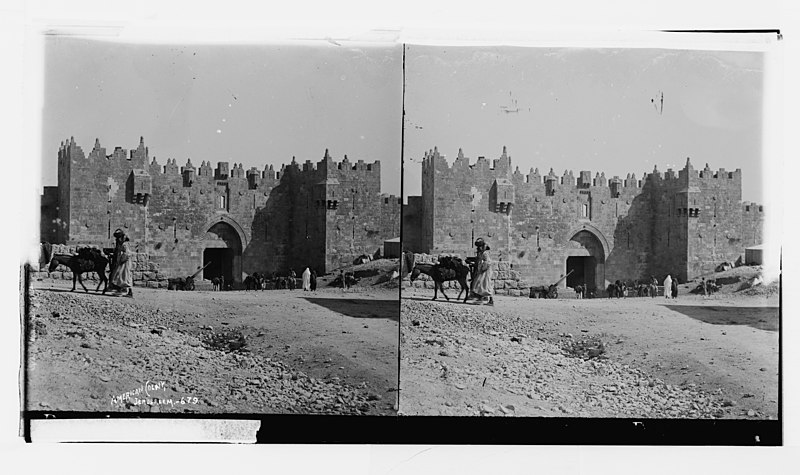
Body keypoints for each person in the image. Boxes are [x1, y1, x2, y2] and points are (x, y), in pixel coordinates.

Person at [469, 238, 494, 305]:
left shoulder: (485, 253)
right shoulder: (482, 253)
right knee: (479, 284)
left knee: (486, 284)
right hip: (482, 271)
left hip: (485, 271)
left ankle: (490, 300)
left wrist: (483, 268)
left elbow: (488, 262)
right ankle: (480, 298)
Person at [110, 228, 133, 297]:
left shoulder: (124, 244)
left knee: (122, 275)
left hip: (124, 263)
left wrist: (122, 259)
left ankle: (123, 290)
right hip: (124, 262)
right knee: (122, 275)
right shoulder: (125, 244)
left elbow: (128, 253)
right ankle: (122, 290)